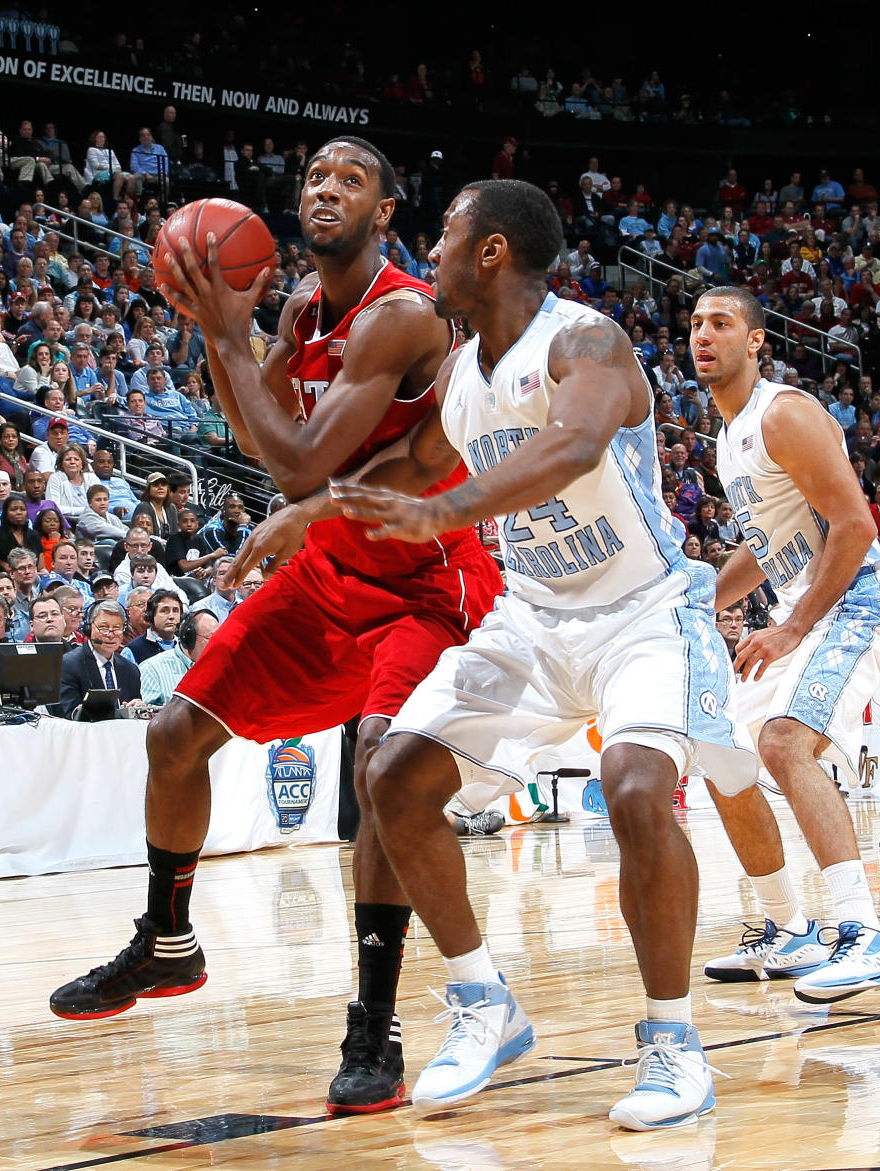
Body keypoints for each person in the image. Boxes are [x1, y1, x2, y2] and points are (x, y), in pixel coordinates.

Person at [49, 136, 503, 1125]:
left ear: (386, 213)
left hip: (427, 584)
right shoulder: (302, 308)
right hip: (330, 566)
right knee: (175, 734)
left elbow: (298, 467)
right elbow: (255, 434)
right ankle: (167, 935)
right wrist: (236, 336)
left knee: (380, 770)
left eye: (352, 179)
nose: (327, 188)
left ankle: (374, 1023)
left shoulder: (400, 315)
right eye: (314, 177)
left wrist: (223, 329)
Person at [327, 179, 756, 1129]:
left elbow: (573, 441)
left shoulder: (584, 340)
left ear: (492, 253)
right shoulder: (462, 373)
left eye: (443, 234)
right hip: (531, 618)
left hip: (642, 611)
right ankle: (486, 1002)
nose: (427, 249)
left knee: (638, 786)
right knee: (391, 776)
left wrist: (442, 514)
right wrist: (310, 512)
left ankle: (673, 1043)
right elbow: (419, 465)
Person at [688, 285, 880, 1002]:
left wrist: (788, 628)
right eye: (695, 323)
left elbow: (854, 526)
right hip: (803, 608)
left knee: (784, 741)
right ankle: (789, 928)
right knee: (720, 752)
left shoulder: (783, 413)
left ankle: (864, 930)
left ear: (756, 341)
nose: (704, 334)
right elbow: (765, 546)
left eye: (721, 323)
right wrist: (695, 599)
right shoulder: (727, 435)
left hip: (855, 603)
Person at [57, 600, 142, 719]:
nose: (110, 634)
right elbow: (68, 713)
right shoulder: (69, 664)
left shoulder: (131, 670)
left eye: (117, 628)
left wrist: (138, 709)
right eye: (103, 627)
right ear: (88, 628)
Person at [140, 610, 218, 706]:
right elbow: (144, 716)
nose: (216, 646)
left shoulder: (221, 669)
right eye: (211, 639)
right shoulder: (152, 669)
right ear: (189, 638)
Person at [125, 589, 183, 665]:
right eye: (164, 611)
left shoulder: (186, 646)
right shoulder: (133, 650)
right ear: (151, 615)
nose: (171, 616)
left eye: (175, 611)